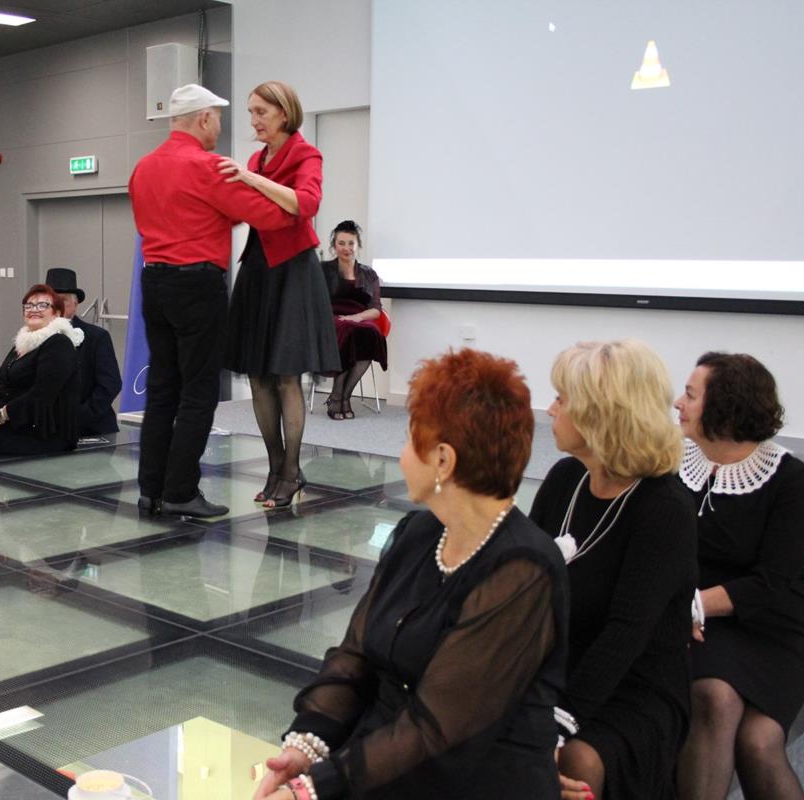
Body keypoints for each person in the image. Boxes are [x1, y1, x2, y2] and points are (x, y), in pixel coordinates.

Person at [253, 348, 567, 800]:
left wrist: (313, 789)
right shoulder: (418, 532)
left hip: (471, 782)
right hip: (382, 761)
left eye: (408, 439)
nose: (401, 455)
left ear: (443, 460)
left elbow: (438, 727)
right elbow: (355, 654)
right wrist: (307, 743)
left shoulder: (522, 570)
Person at [528, 340, 697, 800]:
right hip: (558, 667)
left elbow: (626, 634)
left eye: (562, 398)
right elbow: (523, 586)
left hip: (634, 685)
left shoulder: (665, 508)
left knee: (578, 760)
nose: (550, 410)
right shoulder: (565, 479)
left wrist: (555, 726)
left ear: (599, 413)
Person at [128, 83, 297, 518]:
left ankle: (151, 491)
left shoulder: (143, 167)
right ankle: (181, 491)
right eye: (218, 119)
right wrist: (285, 194)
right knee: (199, 391)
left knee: (162, 389)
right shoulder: (208, 167)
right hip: (197, 286)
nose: (220, 127)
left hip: (154, 282)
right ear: (204, 118)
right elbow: (270, 216)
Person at [673, 353, 804, 800]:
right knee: (715, 696)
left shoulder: (789, 478)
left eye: (690, 395)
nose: (678, 403)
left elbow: (773, 581)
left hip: (772, 630)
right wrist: (678, 606)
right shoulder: (671, 463)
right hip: (702, 630)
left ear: (725, 407)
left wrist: (694, 605)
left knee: (758, 742)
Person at [221, 80, 340, 509]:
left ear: (284, 114)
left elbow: (306, 204)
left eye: (261, 112)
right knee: (258, 375)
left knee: (287, 375)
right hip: (258, 270)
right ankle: (276, 468)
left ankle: (291, 471)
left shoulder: (306, 154)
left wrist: (251, 178)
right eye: (251, 112)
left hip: (293, 270)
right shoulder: (257, 158)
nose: (254, 120)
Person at [0, 283, 82, 456]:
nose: (34, 309)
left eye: (43, 305)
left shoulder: (59, 343)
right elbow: (3, 386)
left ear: (57, 313)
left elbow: (41, 395)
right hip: (14, 424)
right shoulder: (23, 342)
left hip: (44, 433)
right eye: (29, 305)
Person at [319, 220, 387, 420]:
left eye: (351, 243)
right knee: (348, 330)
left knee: (370, 332)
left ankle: (343, 397)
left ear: (358, 245)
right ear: (334, 245)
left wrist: (356, 317)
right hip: (331, 318)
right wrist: (345, 319)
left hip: (359, 318)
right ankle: (337, 397)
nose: (346, 248)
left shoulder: (369, 274)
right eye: (341, 243)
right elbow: (314, 303)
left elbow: (376, 309)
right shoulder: (323, 270)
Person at [43, 267, 121, 437]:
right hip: (49, 429)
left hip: (90, 428)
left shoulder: (96, 337)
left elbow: (110, 384)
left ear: (76, 304)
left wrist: (78, 417)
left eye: (62, 300)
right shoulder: (36, 337)